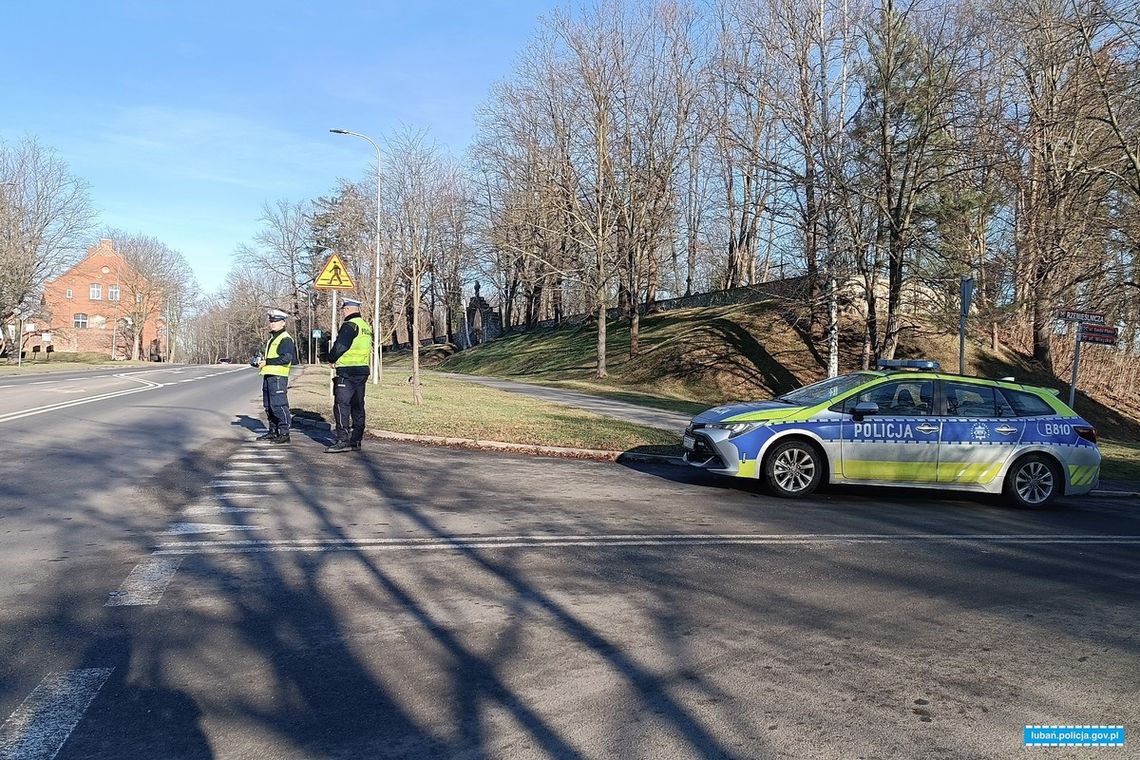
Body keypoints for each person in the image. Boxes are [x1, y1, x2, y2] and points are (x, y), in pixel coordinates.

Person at [325, 297, 373, 453]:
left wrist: (331, 358)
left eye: (344, 310)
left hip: (347, 371)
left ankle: (342, 440)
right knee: (358, 405)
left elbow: (341, 346)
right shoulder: (365, 326)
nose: (343, 312)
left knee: (341, 406)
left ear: (347, 310)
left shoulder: (349, 325)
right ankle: (356, 439)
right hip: (362, 370)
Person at [257, 309, 295, 444]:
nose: (272, 324)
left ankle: (284, 433)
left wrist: (268, 362)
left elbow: (286, 358)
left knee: (278, 405)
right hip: (269, 374)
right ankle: (273, 431)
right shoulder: (273, 338)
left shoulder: (285, 338)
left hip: (278, 376)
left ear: (283, 323)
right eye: (271, 321)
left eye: (276, 321)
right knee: (268, 406)